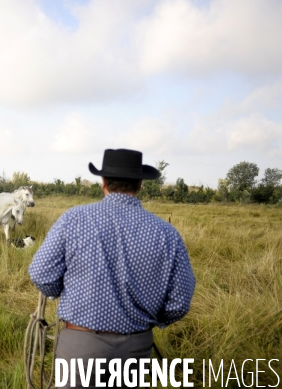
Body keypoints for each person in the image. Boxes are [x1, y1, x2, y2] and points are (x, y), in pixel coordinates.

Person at [28, 148, 195, 388]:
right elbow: (179, 302)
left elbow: (41, 273)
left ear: (103, 182)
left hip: (80, 345)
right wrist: (147, 319)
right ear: (139, 184)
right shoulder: (167, 234)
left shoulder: (73, 219)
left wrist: (64, 291)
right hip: (135, 347)